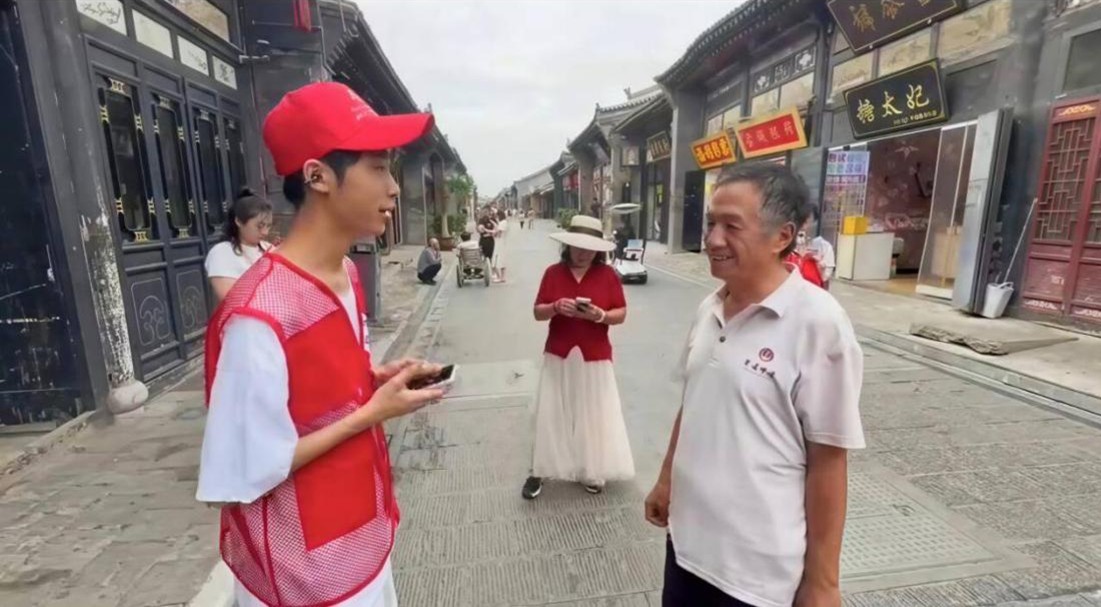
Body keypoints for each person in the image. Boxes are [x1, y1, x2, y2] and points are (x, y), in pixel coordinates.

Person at [196, 81, 448, 607]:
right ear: (318, 176)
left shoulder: (346, 275)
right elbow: (248, 465)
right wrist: (372, 413)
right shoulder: (258, 314)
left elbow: (320, 390)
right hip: (302, 571)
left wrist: (373, 380)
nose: (393, 188)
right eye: (378, 168)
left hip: (362, 529)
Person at [644, 164, 864, 607]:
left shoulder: (818, 323)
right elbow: (694, 402)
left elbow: (828, 459)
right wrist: (666, 480)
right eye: (711, 223)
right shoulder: (709, 308)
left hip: (757, 577)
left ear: (782, 236)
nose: (713, 239)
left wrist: (823, 582)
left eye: (731, 226)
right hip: (686, 548)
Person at [522, 214, 634, 499]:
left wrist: (600, 315)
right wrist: (556, 307)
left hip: (595, 354)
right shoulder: (553, 273)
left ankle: (591, 467)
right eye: (578, 247)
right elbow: (537, 312)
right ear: (568, 246)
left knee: (593, 412)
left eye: (590, 249)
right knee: (551, 411)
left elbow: (621, 313)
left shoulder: (608, 276)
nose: (583, 254)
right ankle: (540, 469)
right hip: (558, 351)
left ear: (598, 250)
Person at [204, 188, 273, 302]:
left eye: (268, 226)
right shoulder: (221, 253)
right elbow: (231, 299)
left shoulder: (270, 249)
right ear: (239, 221)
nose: (265, 232)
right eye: (260, 226)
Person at [802, 207, 836, 289]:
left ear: (815, 222)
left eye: (807, 220)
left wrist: (819, 267)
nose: (803, 225)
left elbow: (825, 278)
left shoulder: (825, 246)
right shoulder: (787, 244)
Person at [492, 209, 509, 283]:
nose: (496, 217)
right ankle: (502, 277)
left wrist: (494, 232)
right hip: (501, 242)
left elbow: (498, 234)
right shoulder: (503, 222)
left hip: (500, 242)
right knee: (501, 260)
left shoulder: (503, 223)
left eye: (497, 216)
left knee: (499, 260)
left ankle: (501, 277)